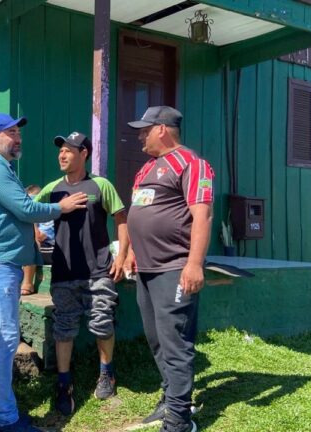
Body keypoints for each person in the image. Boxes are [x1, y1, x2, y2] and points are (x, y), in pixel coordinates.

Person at [0, 113, 88, 432]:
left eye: (19, 132)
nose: (17, 137)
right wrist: (60, 208)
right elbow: (25, 208)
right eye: (10, 132)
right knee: (6, 336)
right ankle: (6, 419)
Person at [124, 106, 214, 432]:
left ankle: (179, 419)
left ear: (162, 129)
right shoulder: (146, 169)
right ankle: (171, 399)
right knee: (157, 340)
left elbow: (202, 215)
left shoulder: (192, 163)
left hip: (174, 267)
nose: (139, 135)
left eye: (144, 129)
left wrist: (194, 264)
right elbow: (141, 212)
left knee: (175, 342)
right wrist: (132, 249)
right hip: (146, 271)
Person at [33, 131, 128, 415]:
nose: (62, 155)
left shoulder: (100, 185)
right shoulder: (52, 189)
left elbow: (121, 218)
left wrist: (122, 255)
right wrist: (35, 231)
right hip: (64, 272)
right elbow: (28, 211)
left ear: (84, 153)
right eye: (60, 150)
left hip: (98, 269)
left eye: (68, 150)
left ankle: (106, 372)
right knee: (63, 328)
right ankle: (64, 383)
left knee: (102, 323)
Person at [20, 184, 49, 296]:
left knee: (30, 242)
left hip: (50, 249)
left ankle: (27, 283)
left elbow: (40, 237)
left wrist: (32, 222)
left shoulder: (46, 215)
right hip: (39, 251)